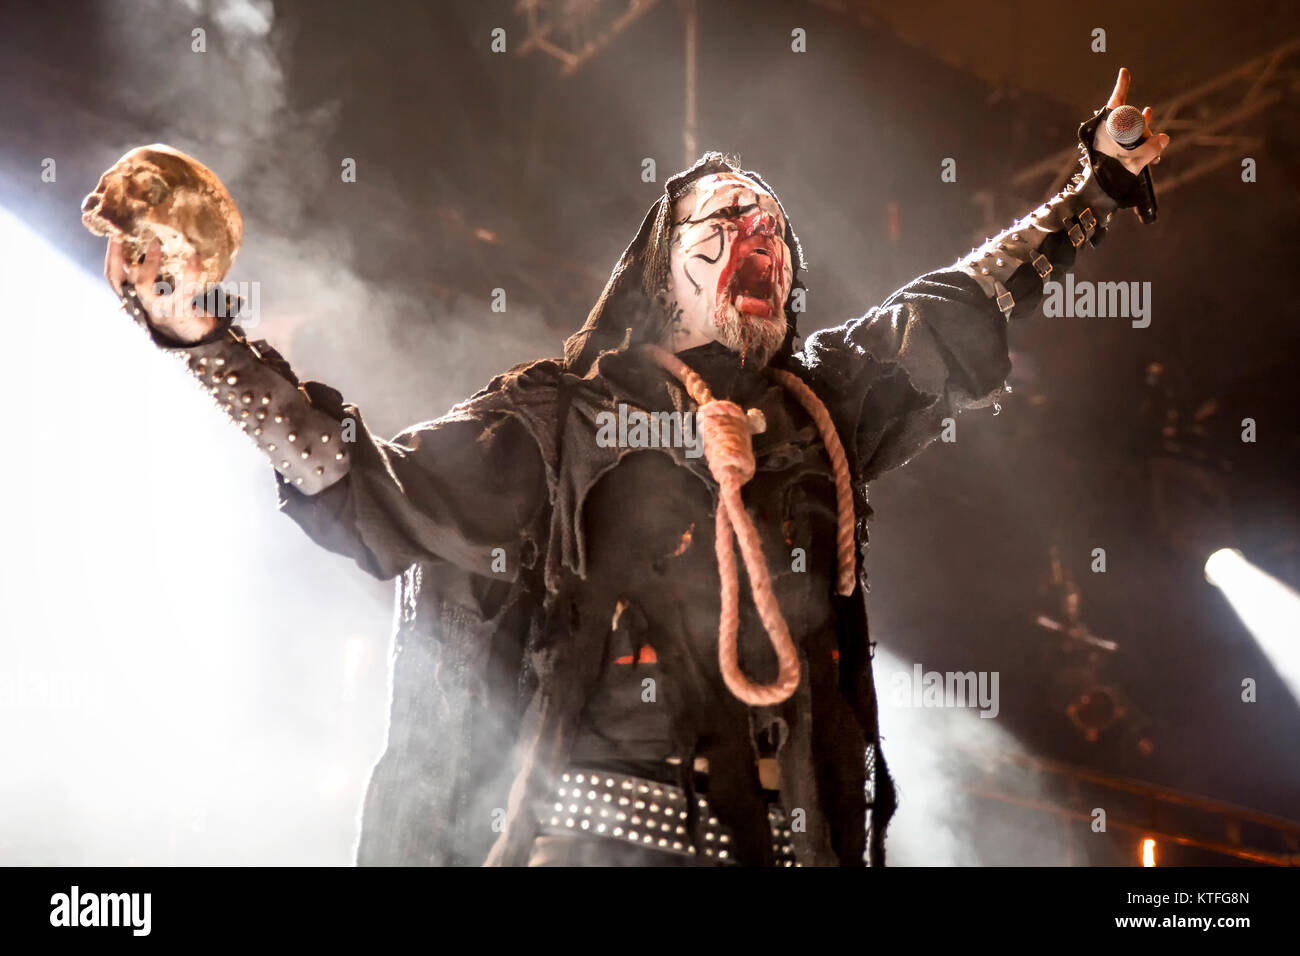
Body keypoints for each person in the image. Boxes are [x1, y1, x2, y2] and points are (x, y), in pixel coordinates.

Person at [103, 69, 1169, 866]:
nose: (755, 231)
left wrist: (1097, 187)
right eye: (722, 221)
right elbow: (371, 486)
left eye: (773, 229)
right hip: (593, 842)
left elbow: (954, 310)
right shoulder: (559, 416)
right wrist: (206, 339)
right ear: (667, 275)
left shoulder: (822, 409)